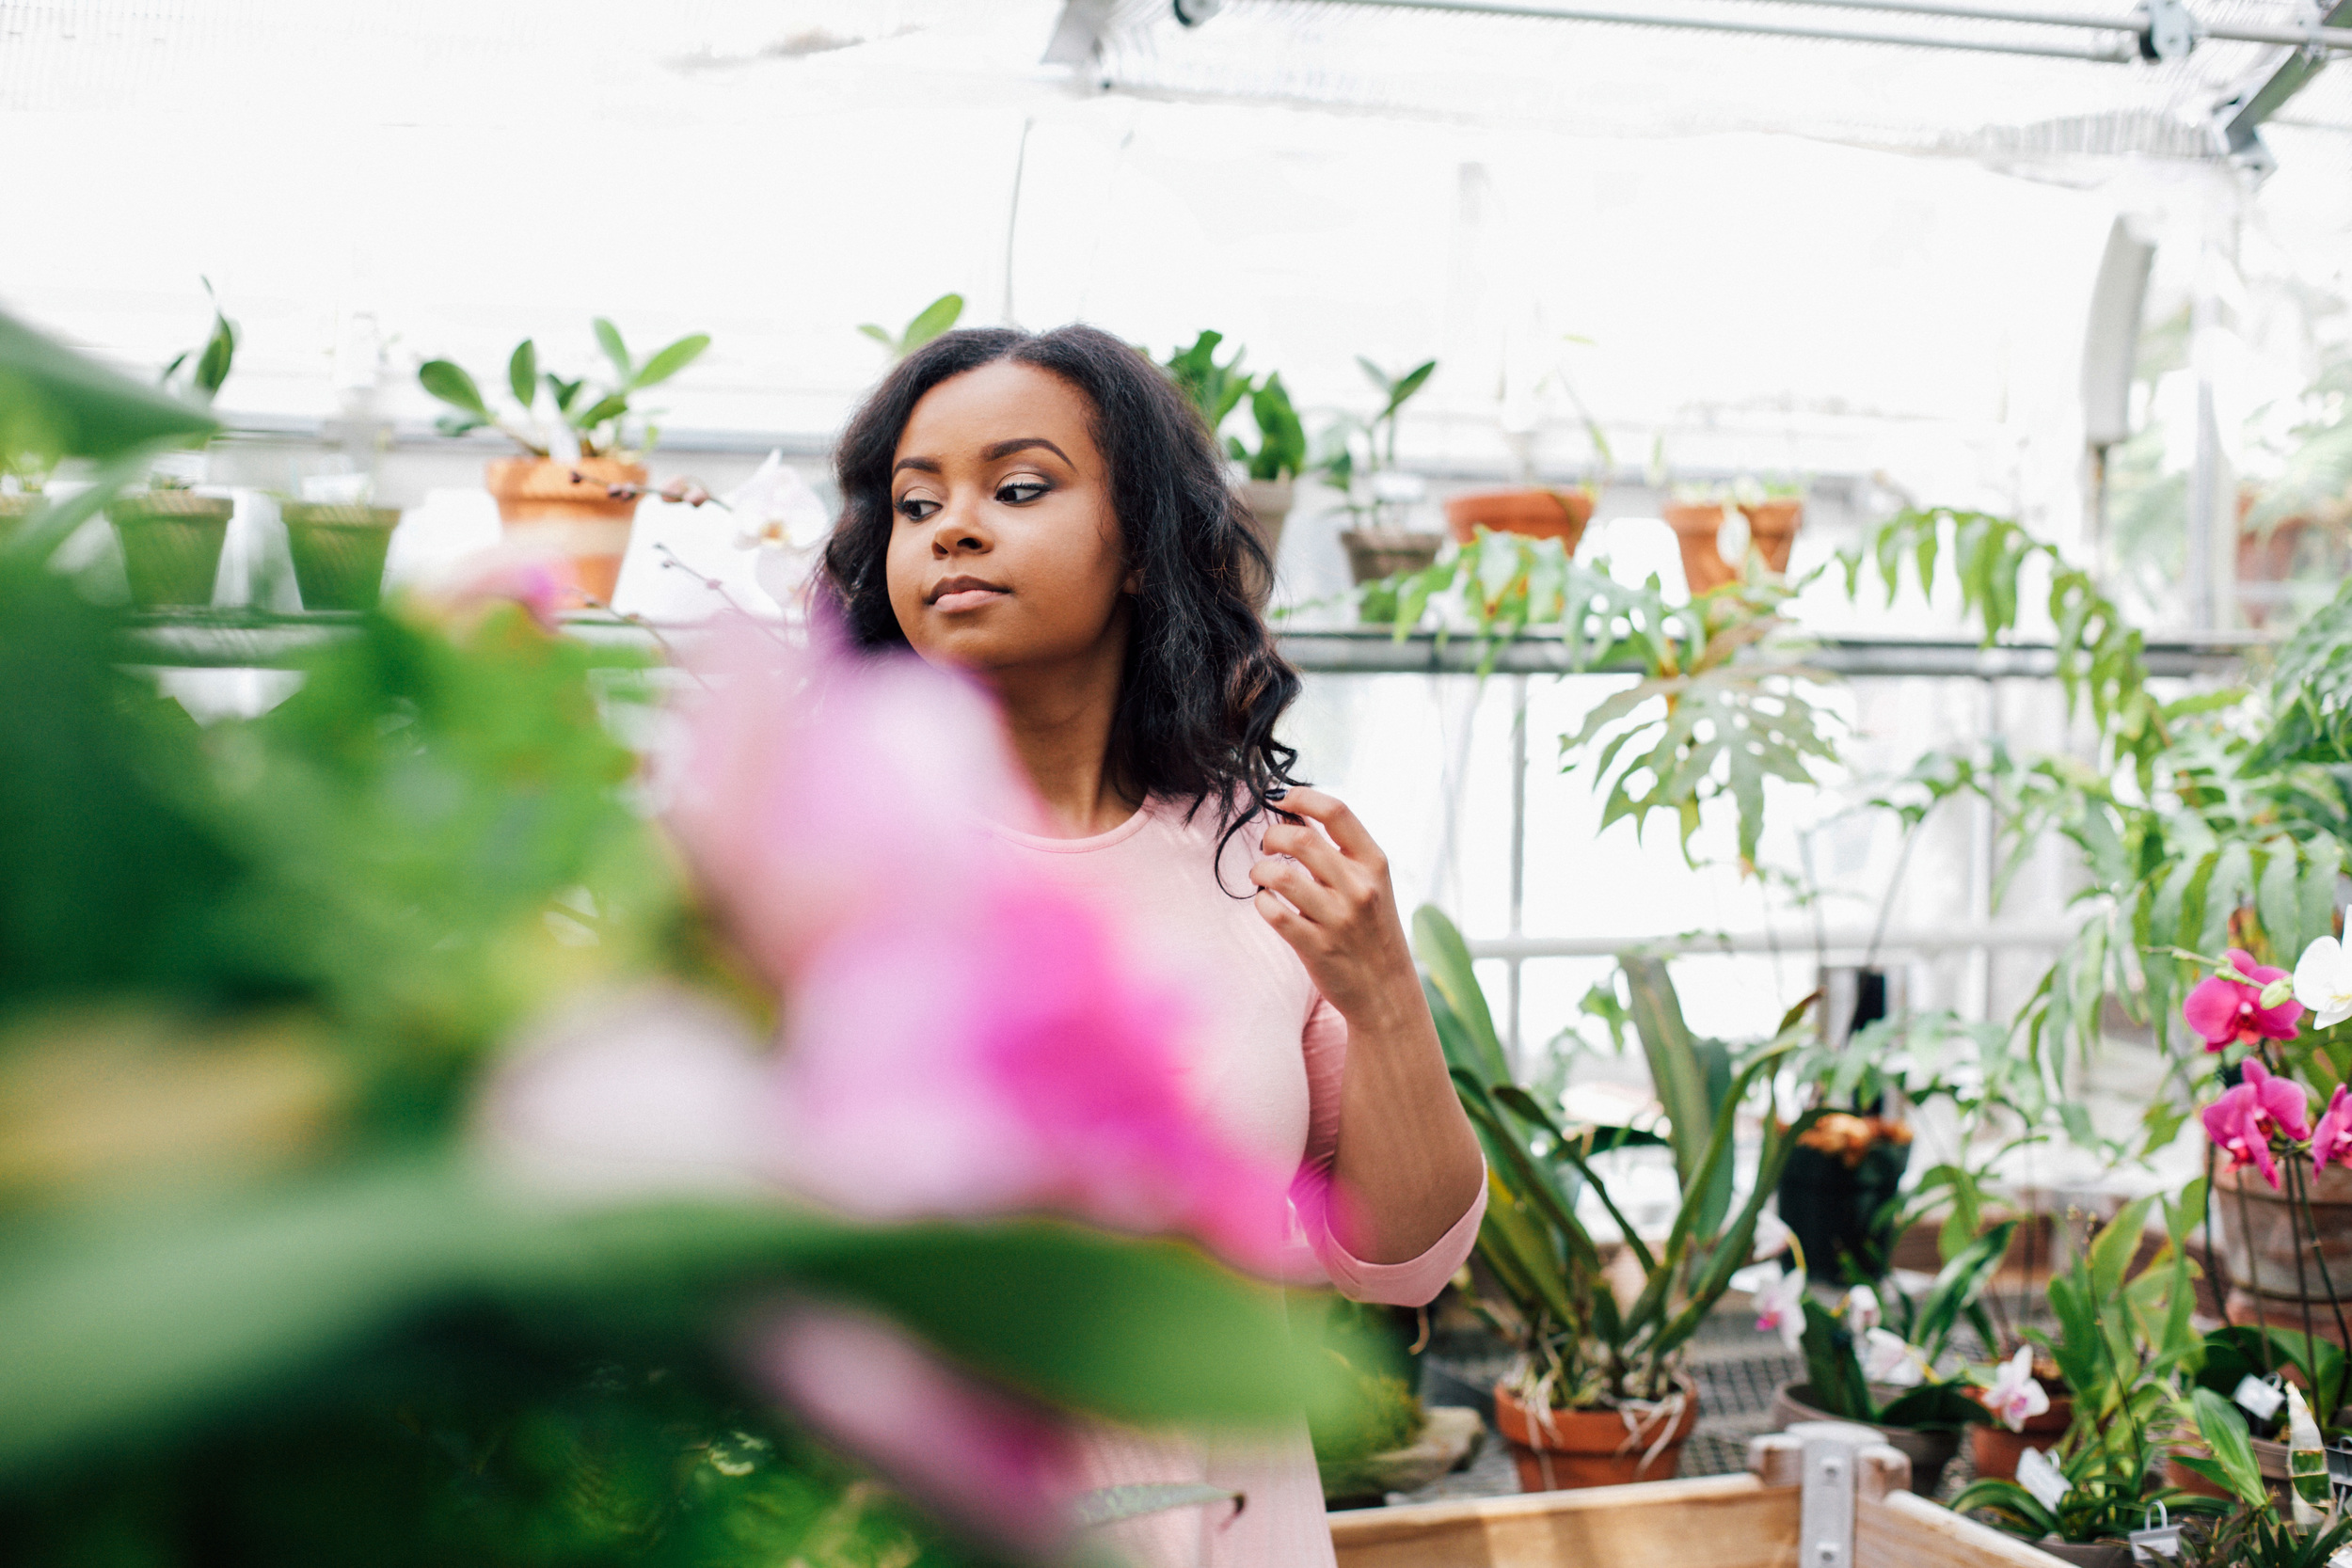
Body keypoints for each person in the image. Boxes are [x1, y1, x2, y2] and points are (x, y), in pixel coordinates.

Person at [818, 324, 1486, 1567]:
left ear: (1140, 547)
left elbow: (1403, 1259)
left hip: (1232, 1529)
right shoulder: (831, 862)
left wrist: (1385, 992)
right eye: (917, 504)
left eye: (1017, 488)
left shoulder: (1262, 860)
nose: (954, 529)